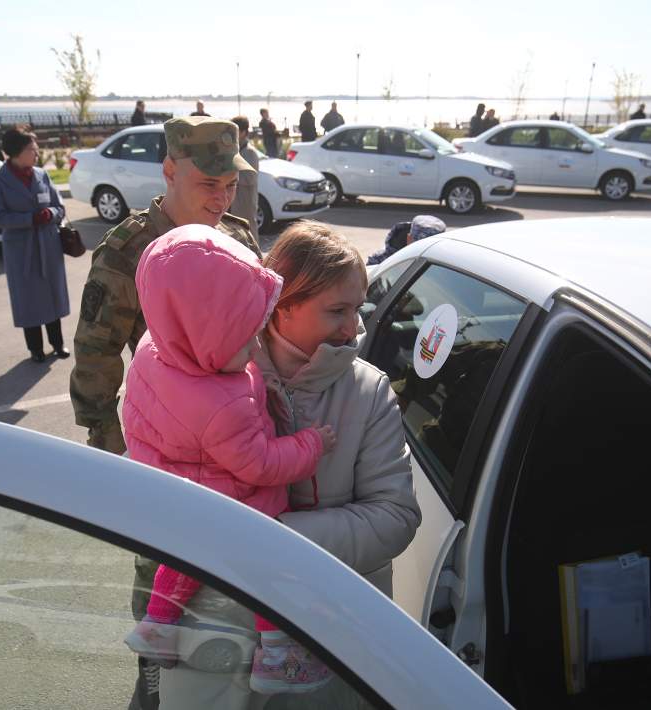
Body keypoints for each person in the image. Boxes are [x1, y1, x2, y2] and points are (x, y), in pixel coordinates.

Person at [152, 220, 421, 706]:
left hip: (333, 629)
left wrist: (270, 538)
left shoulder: (368, 390)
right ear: (281, 305)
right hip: (219, 622)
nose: (353, 327)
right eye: (336, 311)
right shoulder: (211, 373)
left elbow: (396, 517)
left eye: (357, 309)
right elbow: (155, 477)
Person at [70, 116, 258, 710]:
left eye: (231, 184)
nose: (223, 197)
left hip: (236, 452)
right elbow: (97, 357)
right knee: (162, 604)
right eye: (210, 185)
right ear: (170, 171)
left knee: (238, 601)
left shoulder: (238, 238)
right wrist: (118, 469)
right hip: (166, 458)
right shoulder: (129, 250)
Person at [121, 225, 336, 695]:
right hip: (232, 500)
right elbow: (261, 465)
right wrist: (311, 445)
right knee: (266, 565)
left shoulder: (153, 351)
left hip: (177, 492)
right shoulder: (223, 402)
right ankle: (278, 656)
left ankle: (156, 626)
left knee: (183, 559)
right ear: (204, 334)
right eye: (243, 342)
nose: (255, 350)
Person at [0, 129, 70, 362]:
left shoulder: (41, 175)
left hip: (48, 244)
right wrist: (30, 219)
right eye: (32, 149)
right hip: (21, 249)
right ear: (16, 153)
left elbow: (59, 206)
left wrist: (49, 213)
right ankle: (35, 349)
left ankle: (57, 343)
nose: (37, 153)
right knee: (28, 299)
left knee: (52, 295)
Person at [366, 214, 446, 265]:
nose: (425, 253)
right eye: (421, 247)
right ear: (409, 239)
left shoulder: (442, 265)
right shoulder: (381, 260)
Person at [230, 115, 260, 237]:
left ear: (243, 132)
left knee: (249, 234)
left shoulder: (250, 152)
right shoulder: (235, 149)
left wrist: (230, 177)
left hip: (245, 202)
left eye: (234, 132)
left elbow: (250, 178)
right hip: (234, 203)